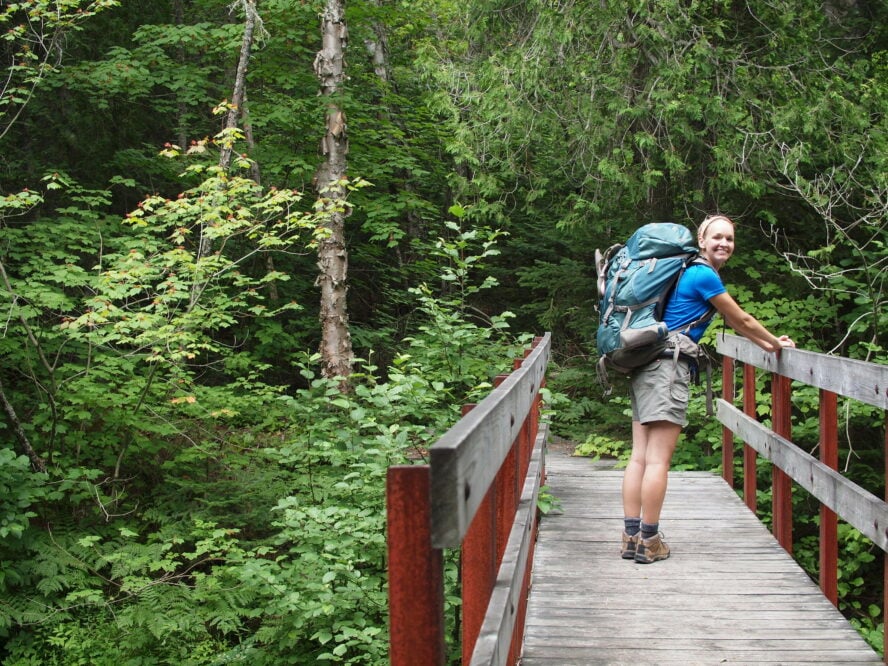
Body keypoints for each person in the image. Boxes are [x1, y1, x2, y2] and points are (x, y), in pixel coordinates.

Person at [620, 214, 796, 564]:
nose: (723, 244)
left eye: (729, 239)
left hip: (645, 364)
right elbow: (739, 318)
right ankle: (649, 540)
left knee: (639, 456)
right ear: (701, 240)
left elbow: (735, 322)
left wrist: (764, 345)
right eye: (716, 237)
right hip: (668, 367)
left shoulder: (685, 270)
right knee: (656, 459)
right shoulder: (702, 274)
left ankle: (630, 537)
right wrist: (774, 343)